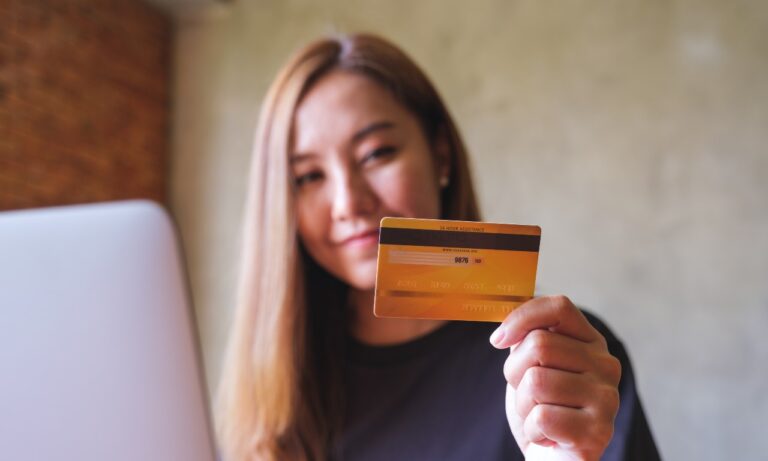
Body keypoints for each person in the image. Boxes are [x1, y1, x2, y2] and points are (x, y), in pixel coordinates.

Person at [216, 33, 660, 461]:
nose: (348, 202)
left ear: (441, 157)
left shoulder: (565, 363)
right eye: (308, 176)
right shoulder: (275, 386)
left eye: (376, 154)